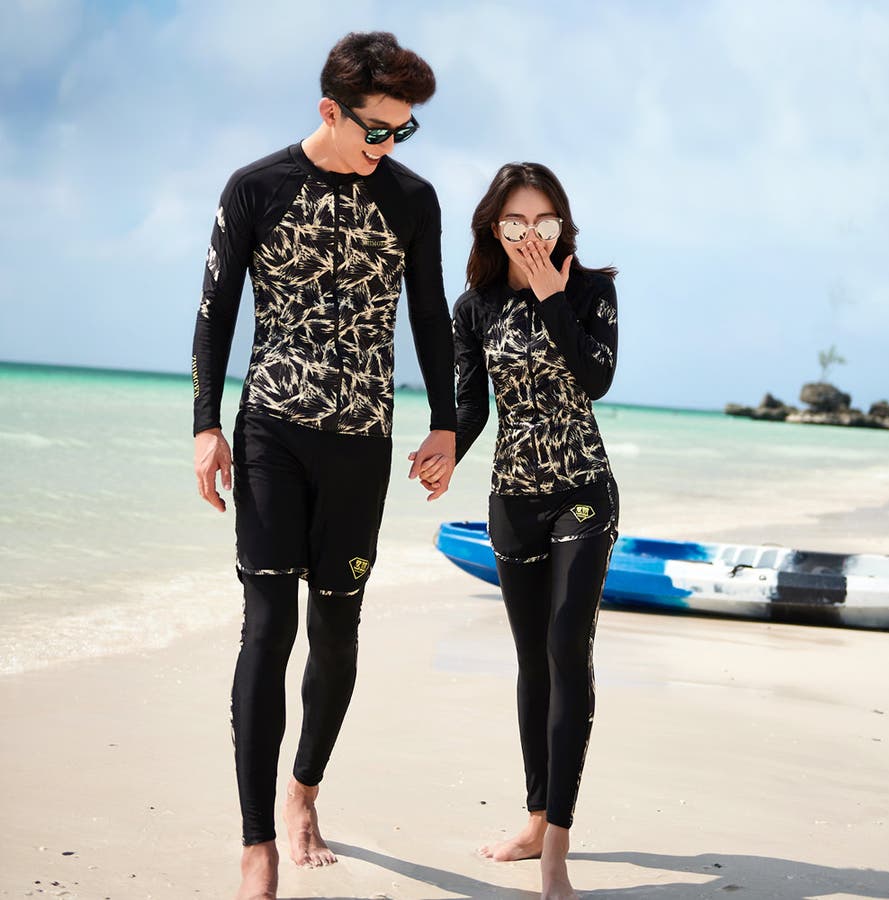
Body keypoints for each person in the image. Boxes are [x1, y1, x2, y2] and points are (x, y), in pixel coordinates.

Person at [190, 32, 455, 900]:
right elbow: (216, 311)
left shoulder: (413, 200)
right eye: (377, 129)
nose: (390, 144)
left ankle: (304, 789)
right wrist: (205, 426)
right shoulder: (256, 186)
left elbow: (428, 317)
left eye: (402, 130)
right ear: (329, 112)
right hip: (271, 430)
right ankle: (256, 842)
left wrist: (447, 424)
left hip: (360, 441)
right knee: (268, 629)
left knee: (337, 631)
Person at [450, 163, 618, 900]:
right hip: (513, 500)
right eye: (516, 223)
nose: (531, 237)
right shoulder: (475, 307)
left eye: (544, 223)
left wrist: (553, 296)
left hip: (583, 492)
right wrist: (444, 449)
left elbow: (595, 380)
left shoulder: (591, 291)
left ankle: (556, 848)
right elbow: (471, 407)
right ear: (496, 228)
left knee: (565, 649)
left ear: (561, 225)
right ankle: (534, 816)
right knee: (531, 662)